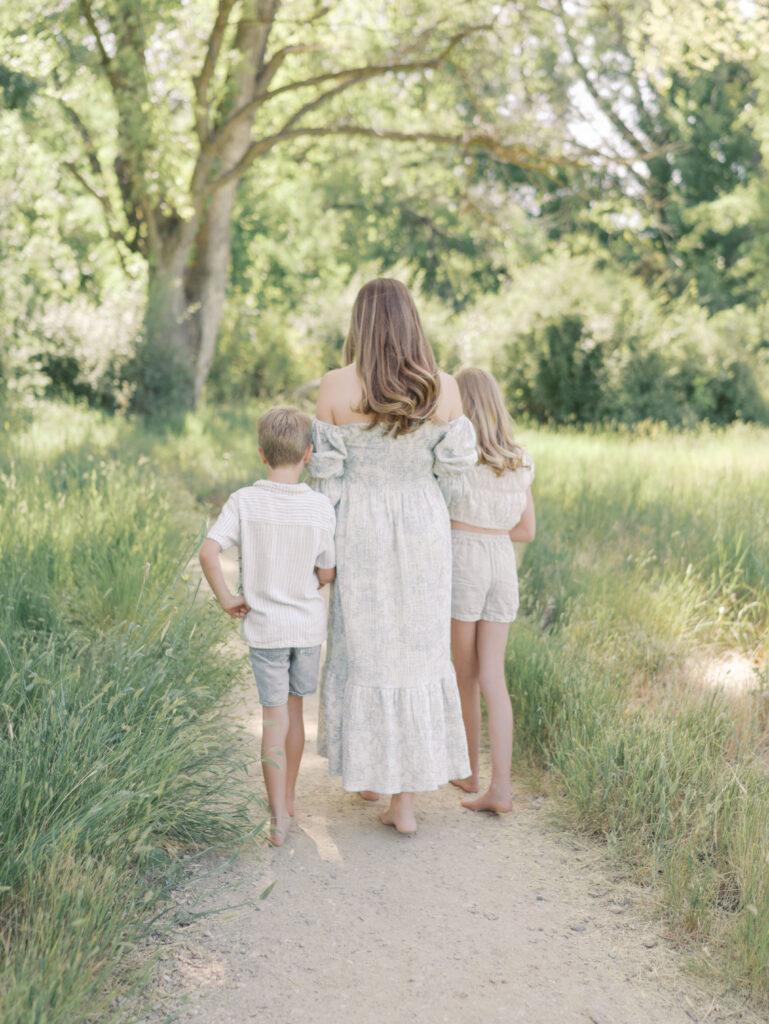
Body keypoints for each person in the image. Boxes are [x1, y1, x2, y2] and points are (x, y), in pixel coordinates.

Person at [308, 278, 477, 835]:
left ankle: (370, 774)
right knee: (419, 653)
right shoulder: (443, 389)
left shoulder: (335, 386)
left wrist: (323, 552)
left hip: (361, 527)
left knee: (365, 649)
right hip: (423, 526)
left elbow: (326, 485)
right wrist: (427, 508)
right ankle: (403, 801)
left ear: (360, 323)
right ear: (411, 322)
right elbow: (455, 477)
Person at [198, 406, 336, 847]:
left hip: (266, 632)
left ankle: (277, 817)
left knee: (272, 719)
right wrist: (309, 580)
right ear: (309, 454)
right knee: (296, 714)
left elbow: (208, 551)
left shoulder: (244, 500)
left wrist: (227, 598)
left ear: (261, 454)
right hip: (306, 629)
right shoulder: (319, 506)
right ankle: (291, 798)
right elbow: (328, 572)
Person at [447, 368, 535, 813]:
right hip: (502, 563)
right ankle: (501, 789)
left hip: (464, 560)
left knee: (464, 677)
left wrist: (465, 527)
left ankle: (467, 772)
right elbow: (527, 530)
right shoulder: (519, 459)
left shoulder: (458, 459)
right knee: (492, 679)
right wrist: (492, 529)